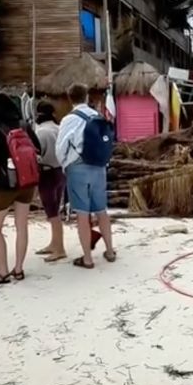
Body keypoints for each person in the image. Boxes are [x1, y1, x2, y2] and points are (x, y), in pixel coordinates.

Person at [0, 94, 41, 286]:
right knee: (22, 226)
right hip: (27, 183)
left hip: (4, 185)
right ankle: (18, 269)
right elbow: (38, 148)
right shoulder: (23, 125)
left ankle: (2, 271)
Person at [57, 83, 117, 269]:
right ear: (86, 96)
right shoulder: (96, 116)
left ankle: (88, 258)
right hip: (98, 166)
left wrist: (64, 165)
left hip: (78, 167)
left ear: (70, 98)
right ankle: (109, 250)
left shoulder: (69, 120)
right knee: (101, 210)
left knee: (82, 214)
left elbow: (61, 147)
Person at [32, 101, 67, 262]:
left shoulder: (40, 132)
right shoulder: (59, 129)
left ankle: (59, 248)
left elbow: (38, 155)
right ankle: (54, 243)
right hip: (61, 171)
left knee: (52, 212)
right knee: (56, 210)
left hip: (47, 173)